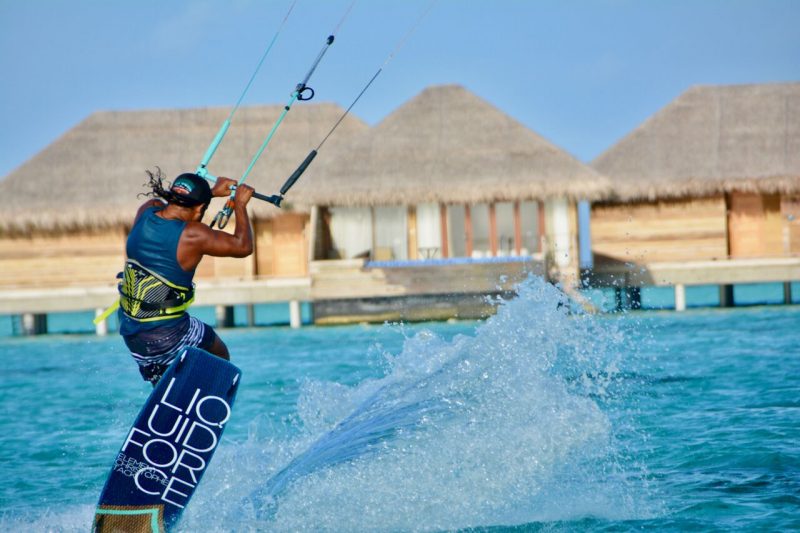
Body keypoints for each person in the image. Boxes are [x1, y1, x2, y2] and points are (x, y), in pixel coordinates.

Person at [116, 168, 254, 385]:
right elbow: (243, 246)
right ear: (199, 208)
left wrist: (209, 193)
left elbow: (170, 210)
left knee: (162, 374)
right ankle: (203, 395)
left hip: (130, 330)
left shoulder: (147, 210)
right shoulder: (192, 234)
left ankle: (167, 390)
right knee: (219, 354)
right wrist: (241, 206)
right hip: (167, 333)